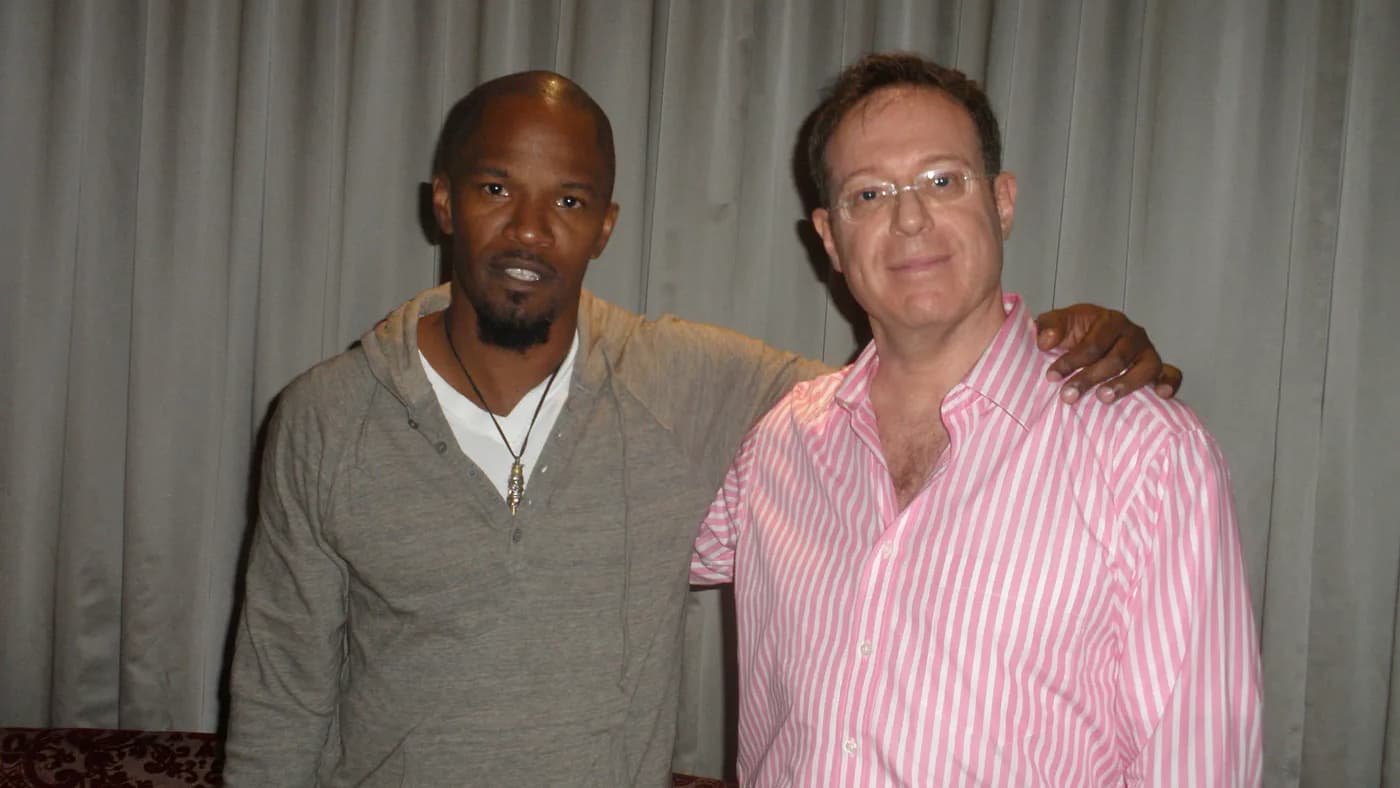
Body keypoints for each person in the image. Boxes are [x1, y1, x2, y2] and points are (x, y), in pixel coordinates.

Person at [224, 69, 1183, 786]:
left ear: (605, 225)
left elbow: (914, 385)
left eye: (567, 201)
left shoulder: (696, 382)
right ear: (442, 202)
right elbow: (281, 697)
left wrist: (1071, 339)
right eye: (492, 190)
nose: (527, 230)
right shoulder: (323, 419)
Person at [690, 53, 1262, 787]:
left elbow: (1199, 762)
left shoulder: (1146, 453)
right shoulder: (776, 446)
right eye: (870, 193)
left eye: (941, 180)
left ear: (1003, 202)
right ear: (830, 239)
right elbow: (633, 543)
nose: (909, 218)